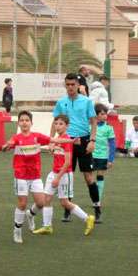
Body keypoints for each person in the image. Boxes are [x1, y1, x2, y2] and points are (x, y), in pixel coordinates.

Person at [33, 115, 95, 237]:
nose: (57, 126)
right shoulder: (59, 139)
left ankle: (88, 218)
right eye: (56, 123)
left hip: (64, 175)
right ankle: (47, 226)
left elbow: (67, 162)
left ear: (67, 126)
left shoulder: (66, 140)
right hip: (54, 172)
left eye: (61, 124)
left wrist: (58, 177)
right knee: (47, 199)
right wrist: (52, 148)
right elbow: (57, 152)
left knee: (65, 202)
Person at [52, 73, 101, 223]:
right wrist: (52, 140)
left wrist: (92, 141)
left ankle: (97, 207)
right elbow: (54, 121)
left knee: (89, 177)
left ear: (78, 85)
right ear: (65, 85)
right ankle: (68, 210)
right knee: (67, 176)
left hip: (84, 141)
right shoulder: (61, 102)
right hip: (67, 143)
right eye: (68, 85)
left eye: (73, 84)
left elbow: (93, 122)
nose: (70, 87)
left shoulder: (86, 102)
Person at [1, 111, 53, 244]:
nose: (24, 122)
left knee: (41, 203)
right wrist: (6, 146)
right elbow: (9, 143)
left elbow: (53, 139)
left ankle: (30, 214)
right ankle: (17, 230)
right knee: (22, 203)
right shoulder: (17, 138)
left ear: (31, 123)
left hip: (35, 175)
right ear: (18, 123)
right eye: (22, 120)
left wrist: (69, 140)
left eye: (27, 120)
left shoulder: (37, 136)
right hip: (21, 176)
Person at [92, 104, 117, 202]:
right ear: (96, 115)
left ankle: (98, 199)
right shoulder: (90, 127)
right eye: (102, 114)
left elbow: (112, 145)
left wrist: (110, 159)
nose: (105, 116)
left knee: (100, 176)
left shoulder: (109, 128)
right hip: (91, 156)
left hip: (103, 157)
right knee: (90, 178)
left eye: (105, 114)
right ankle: (94, 196)